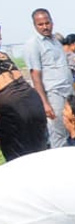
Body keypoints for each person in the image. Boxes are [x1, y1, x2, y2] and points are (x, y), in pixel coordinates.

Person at [25, 8, 75, 149]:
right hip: (54, 94)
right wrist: (45, 103)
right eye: (40, 24)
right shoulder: (33, 44)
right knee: (58, 133)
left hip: (68, 92)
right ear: (35, 26)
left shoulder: (55, 42)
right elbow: (35, 76)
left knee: (71, 129)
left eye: (47, 23)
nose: (45, 27)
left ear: (52, 22)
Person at [0, 25, 50, 160]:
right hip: (31, 104)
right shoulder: (4, 55)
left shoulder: (3, 56)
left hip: (15, 111)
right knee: (37, 156)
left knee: (20, 161)